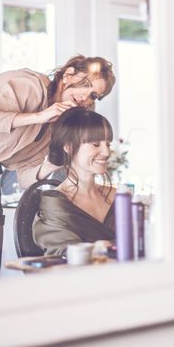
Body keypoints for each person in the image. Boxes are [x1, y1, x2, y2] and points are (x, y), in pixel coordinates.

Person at [0, 55, 115, 278]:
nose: (85, 98)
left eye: (93, 95)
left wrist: (48, 165)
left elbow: (23, 180)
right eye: (85, 85)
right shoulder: (29, 86)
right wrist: (38, 117)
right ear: (68, 74)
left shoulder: (54, 128)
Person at [33, 107, 117, 256]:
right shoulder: (55, 203)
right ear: (69, 147)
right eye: (96, 144)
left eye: (108, 144)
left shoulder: (116, 196)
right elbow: (63, 253)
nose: (107, 152)